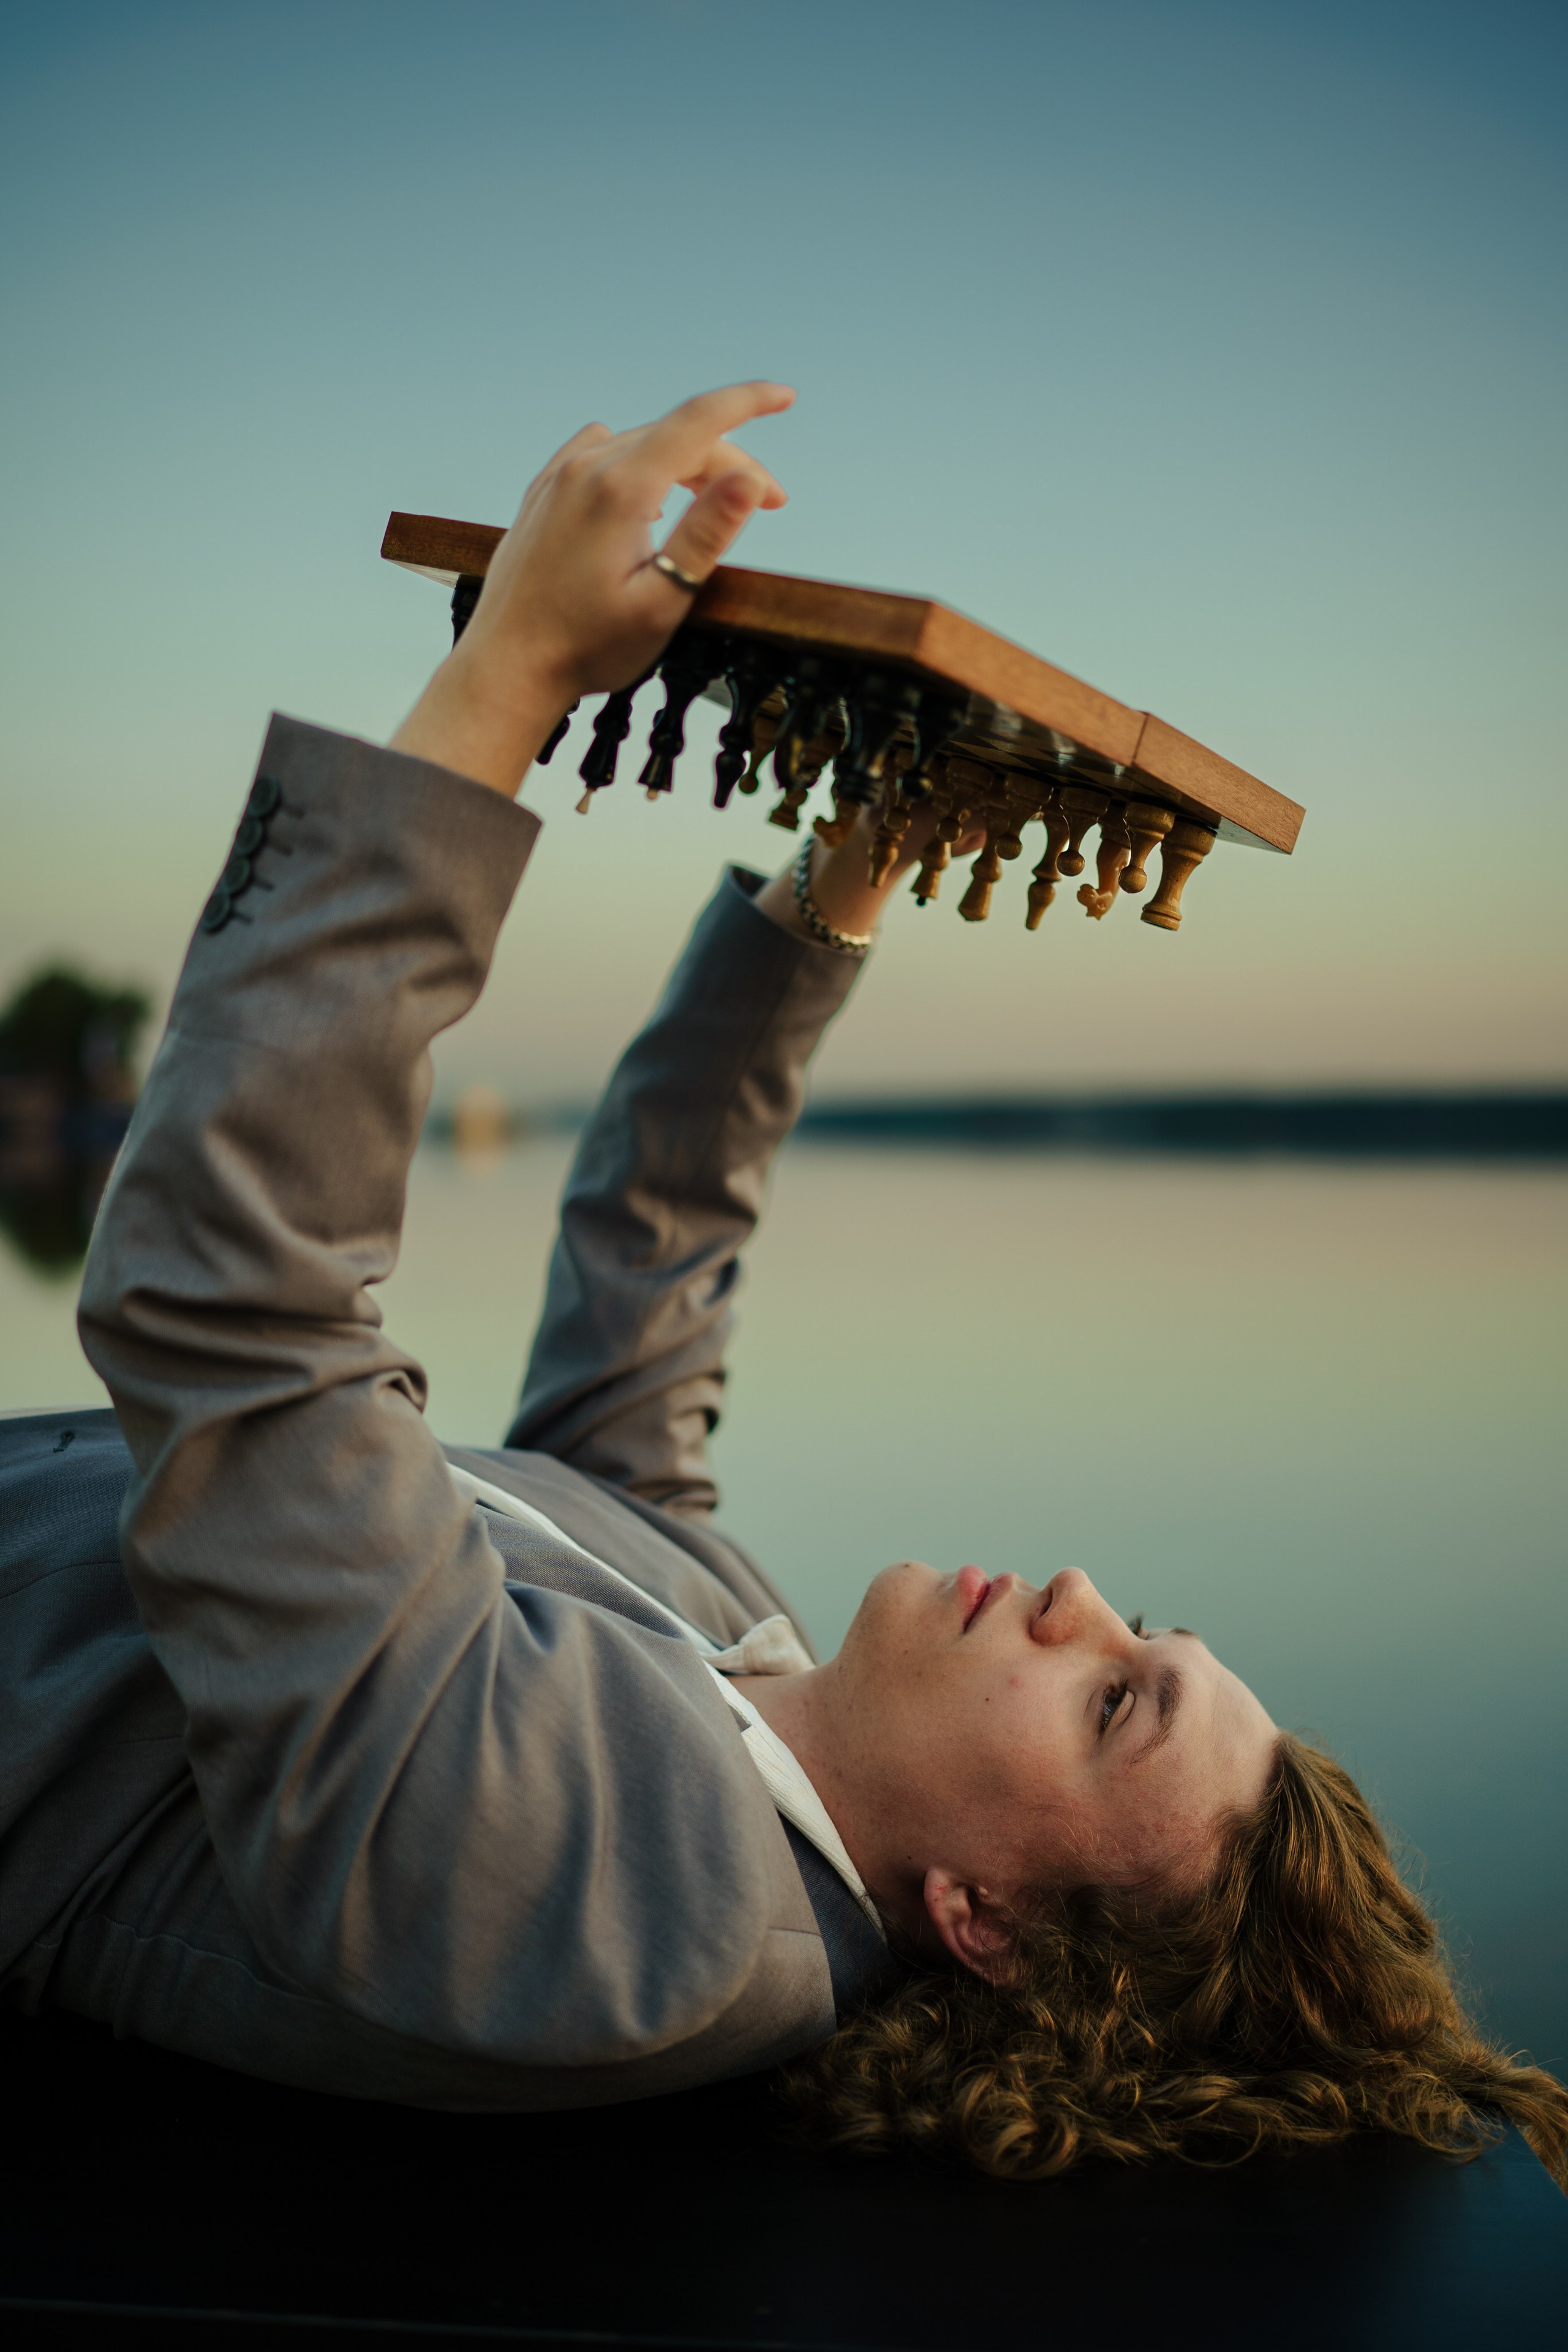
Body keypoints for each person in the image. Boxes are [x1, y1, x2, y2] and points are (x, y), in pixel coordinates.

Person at [2, 384, 1563, 2182]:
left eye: (1113, 1701)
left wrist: (509, 682)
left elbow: (235, 1316)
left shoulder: (636, 1922)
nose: (1081, 1597)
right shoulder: (756, 1657)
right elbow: (650, 1270)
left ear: (983, 1920)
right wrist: (854, 872)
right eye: (1148, 1629)